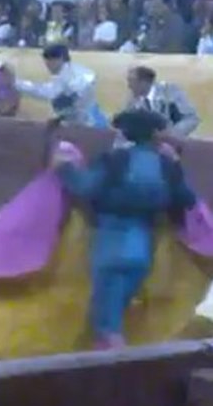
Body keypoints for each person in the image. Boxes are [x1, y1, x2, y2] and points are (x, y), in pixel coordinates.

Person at [53, 109, 197, 349]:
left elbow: (84, 188)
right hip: (143, 250)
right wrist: (177, 166)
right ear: (154, 134)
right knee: (115, 315)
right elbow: (187, 200)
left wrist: (63, 168)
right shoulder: (167, 166)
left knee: (107, 327)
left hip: (110, 246)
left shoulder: (114, 160)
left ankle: (112, 377)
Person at [15, 44, 105, 126]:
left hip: (89, 124)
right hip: (79, 123)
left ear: (60, 59)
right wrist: (18, 83)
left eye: (51, 60)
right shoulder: (63, 75)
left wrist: (61, 116)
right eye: (46, 60)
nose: (47, 64)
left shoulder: (75, 75)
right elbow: (48, 91)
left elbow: (76, 95)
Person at [124, 66, 199, 139]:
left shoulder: (170, 92)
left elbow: (191, 118)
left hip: (173, 144)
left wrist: (171, 134)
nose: (129, 86)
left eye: (132, 81)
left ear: (144, 82)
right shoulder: (133, 101)